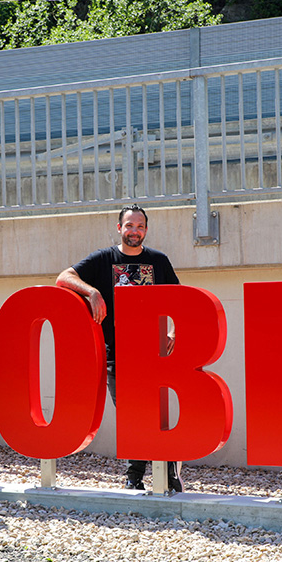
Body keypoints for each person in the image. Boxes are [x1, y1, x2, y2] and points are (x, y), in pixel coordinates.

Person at [56, 204, 183, 492]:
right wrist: (92, 291)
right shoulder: (103, 259)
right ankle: (135, 475)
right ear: (119, 228)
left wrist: (174, 330)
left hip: (154, 354)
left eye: (139, 226)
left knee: (155, 414)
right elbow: (64, 277)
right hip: (117, 354)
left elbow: (179, 299)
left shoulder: (158, 261)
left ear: (146, 230)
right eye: (129, 225)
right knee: (131, 415)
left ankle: (167, 472)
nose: (134, 231)